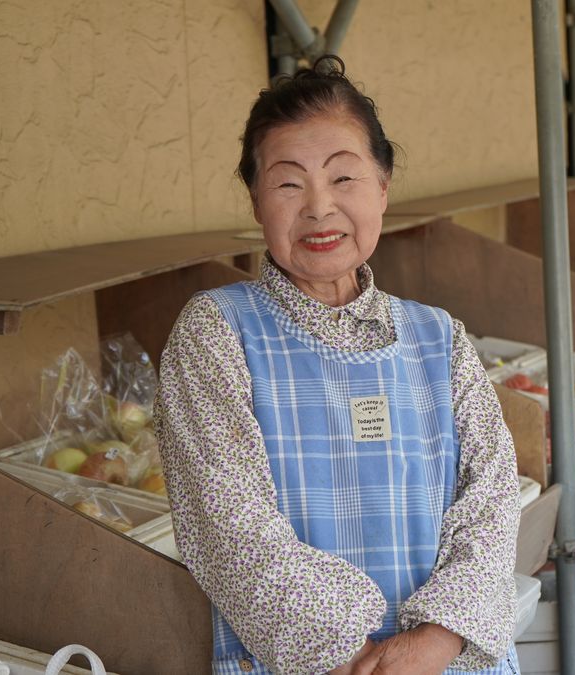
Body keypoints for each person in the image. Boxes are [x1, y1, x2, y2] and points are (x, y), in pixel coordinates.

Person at [154, 55, 521, 675]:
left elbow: (492, 502)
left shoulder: (438, 337)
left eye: (344, 178)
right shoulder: (215, 334)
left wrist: (434, 642)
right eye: (289, 183)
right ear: (255, 200)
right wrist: (357, 660)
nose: (319, 208)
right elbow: (232, 532)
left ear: (383, 186)